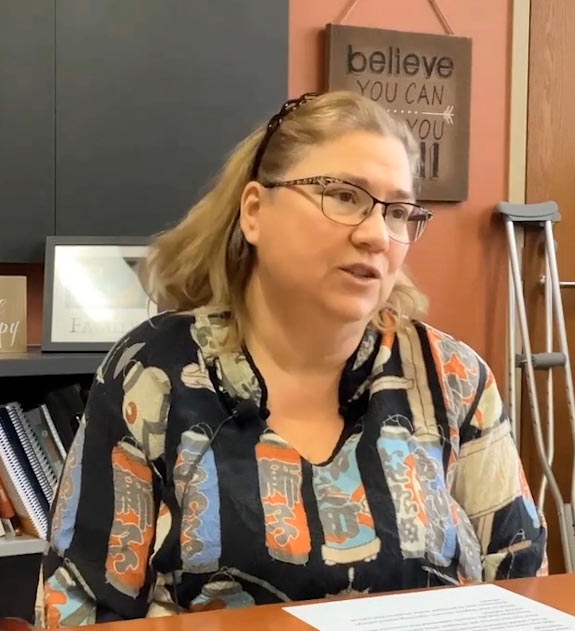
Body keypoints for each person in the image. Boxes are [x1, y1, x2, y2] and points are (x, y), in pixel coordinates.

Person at [36, 91, 546, 627]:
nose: (376, 235)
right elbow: (78, 607)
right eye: (344, 196)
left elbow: (522, 580)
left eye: (398, 212)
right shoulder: (153, 375)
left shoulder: (452, 377)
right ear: (255, 212)